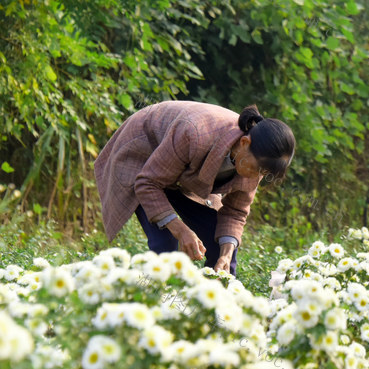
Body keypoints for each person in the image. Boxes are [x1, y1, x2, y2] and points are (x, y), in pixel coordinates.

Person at [95, 101, 296, 275]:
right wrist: (181, 230)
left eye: (264, 173)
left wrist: (225, 255)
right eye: (257, 169)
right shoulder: (194, 133)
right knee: (166, 245)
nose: (258, 176)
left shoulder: (255, 162)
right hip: (144, 157)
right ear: (244, 142)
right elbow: (148, 183)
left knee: (222, 247)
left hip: (179, 175)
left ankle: (217, 313)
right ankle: (160, 307)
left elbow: (235, 212)